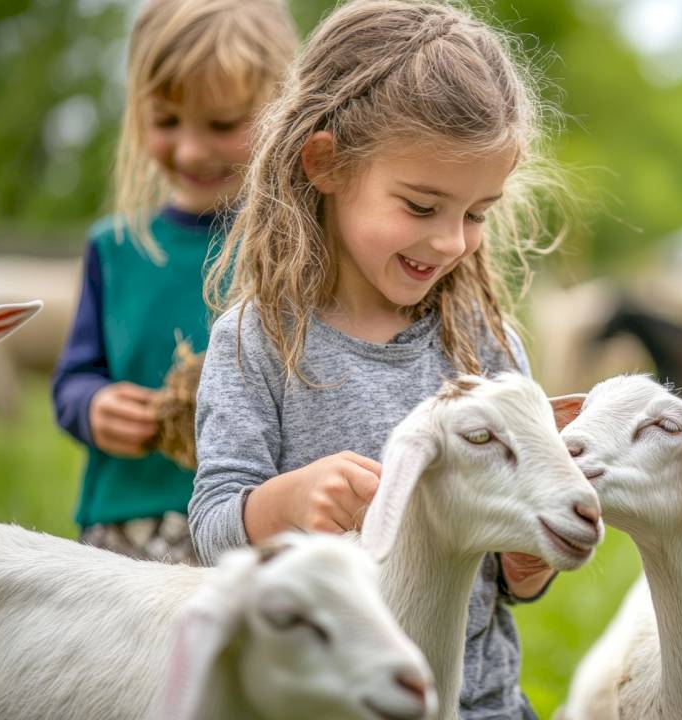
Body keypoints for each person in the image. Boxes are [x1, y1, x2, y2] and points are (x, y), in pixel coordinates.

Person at [189, 2, 567, 717]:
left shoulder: (485, 347)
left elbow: (515, 571)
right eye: (422, 207)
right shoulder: (258, 340)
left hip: (478, 703)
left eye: (478, 212)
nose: (453, 241)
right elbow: (213, 532)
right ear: (327, 164)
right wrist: (288, 505)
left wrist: (528, 561)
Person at [51, 0, 297, 564]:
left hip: (250, 525)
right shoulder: (114, 249)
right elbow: (74, 376)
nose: (189, 150)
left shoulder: (293, 247)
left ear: (282, 108)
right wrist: (92, 406)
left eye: (222, 124)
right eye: (166, 122)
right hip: (124, 531)